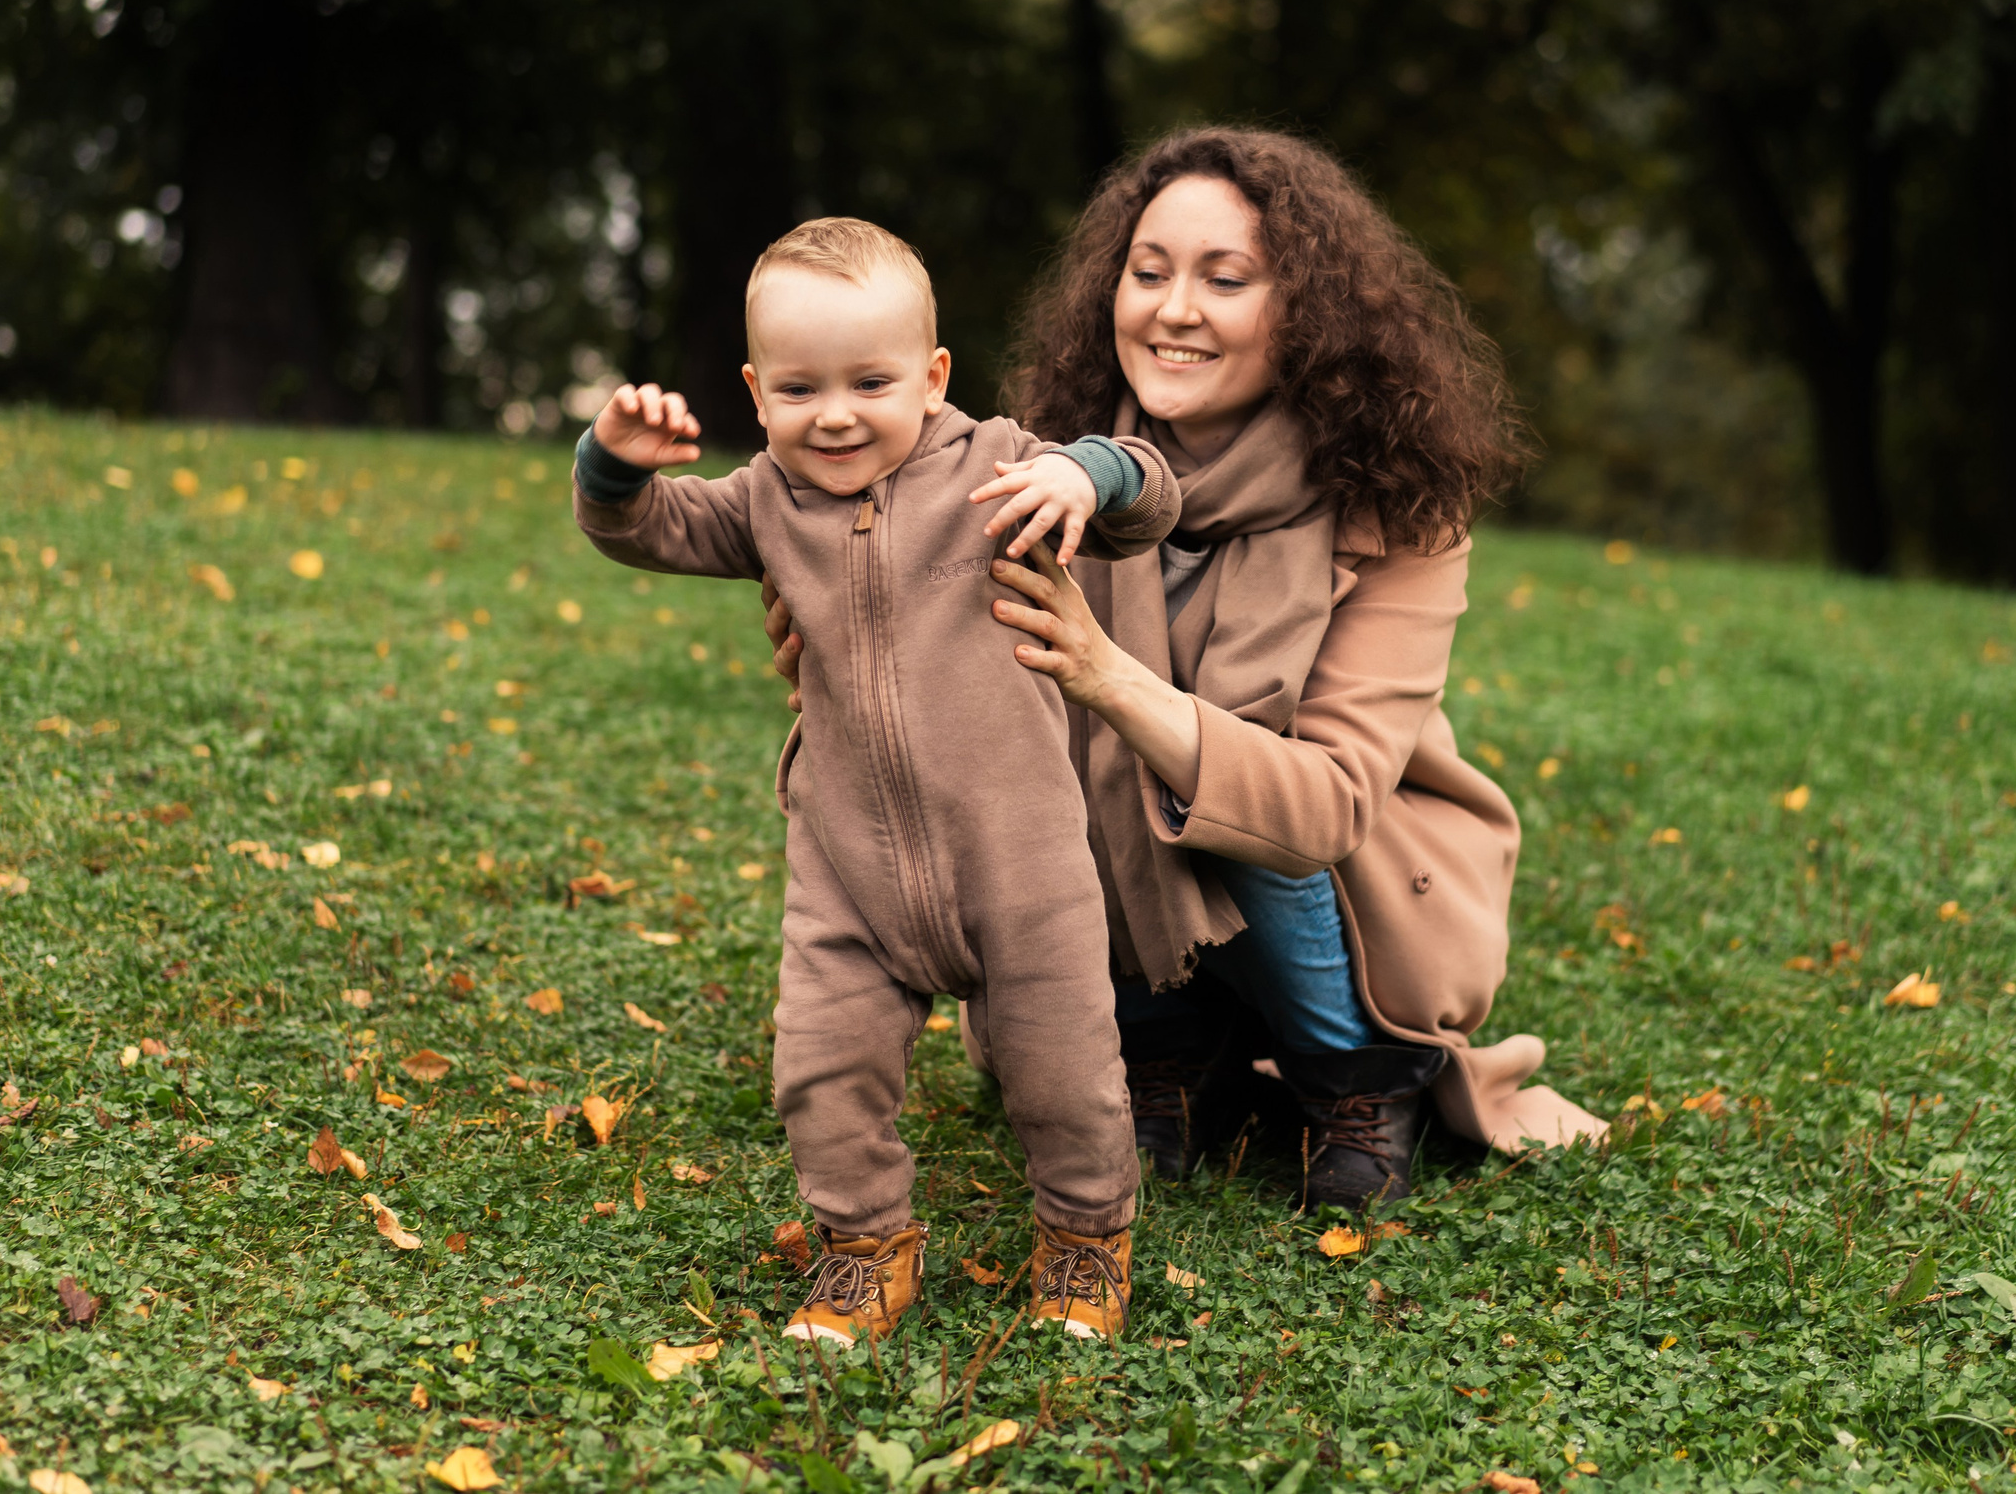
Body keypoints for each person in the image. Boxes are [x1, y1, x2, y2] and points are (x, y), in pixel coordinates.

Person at [767, 132, 1607, 1214]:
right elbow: (940, 712)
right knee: (1063, 781)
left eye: (1226, 279)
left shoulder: (1399, 508)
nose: (1173, 308)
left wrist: (1108, 676)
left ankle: (1359, 1077)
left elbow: (1324, 807)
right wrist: (838, 669)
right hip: (1114, 913)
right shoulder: (1027, 472)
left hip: (1334, 897)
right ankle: (1159, 1051)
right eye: (1149, 271)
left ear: (1304, 308)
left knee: (1204, 778)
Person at [569, 217, 1180, 1344]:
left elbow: (1150, 489)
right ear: (756, 393)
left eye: (871, 381)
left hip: (1019, 859)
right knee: (820, 1066)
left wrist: (1083, 471)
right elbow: (645, 527)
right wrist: (615, 463)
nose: (836, 413)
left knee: (1066, 1072)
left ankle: (1088, 1240)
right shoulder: (762, 501)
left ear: (933, 375)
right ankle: (862, 1251)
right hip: (848, 866)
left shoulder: (999, 466)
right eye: (799, 389)